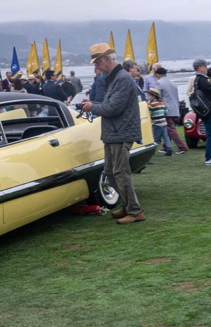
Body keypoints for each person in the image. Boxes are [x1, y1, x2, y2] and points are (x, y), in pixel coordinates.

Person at [81, 43, 145, 224]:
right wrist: (92, 103)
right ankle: (129, 206)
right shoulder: (116, 78)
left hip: (120, 132)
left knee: (120, 172)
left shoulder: (121, 79)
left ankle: (135, 210)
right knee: (110, 172)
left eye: (96, 63)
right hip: (115, 132)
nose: (95, 67)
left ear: (105, 60)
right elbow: (111, 105)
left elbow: (113, 108)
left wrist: (92, 106)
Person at [192, 58, 211, 165]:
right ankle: (209, 157)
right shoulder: (203, 80)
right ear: (200, 67)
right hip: (208, 111)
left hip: (204, 110)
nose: (206, 68)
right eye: (205, 66)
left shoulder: (197, 79)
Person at [154, 67, 188, 154]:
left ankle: (182, 146)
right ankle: (166, 146)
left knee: (170, 128)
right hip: (175, 108)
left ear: (157, 74)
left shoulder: (158, 83)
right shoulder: (173, 83)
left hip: (166, 109)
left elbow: (157, 97)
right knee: (169, 127)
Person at [147, 87, 172, 156]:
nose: (148, 97)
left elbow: (149, 112)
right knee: (166, 137)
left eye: (149, 96)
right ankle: (169, 149)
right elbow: (166, 112)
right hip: (164, 122)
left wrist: (148, 103)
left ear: (153, 96)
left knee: (155, 138)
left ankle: (151, 152)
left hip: (157, 123)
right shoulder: (162, 103)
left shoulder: (152, 104)